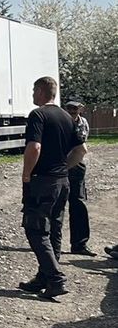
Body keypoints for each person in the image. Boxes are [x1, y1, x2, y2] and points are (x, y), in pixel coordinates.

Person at [19, 76, 87, 301]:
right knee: (55, 230)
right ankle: (44, 278)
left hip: (42, 182)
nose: (32, 94)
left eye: (33, 90)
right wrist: (63, 168)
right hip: (62, 181)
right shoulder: (67, 117)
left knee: (36, 230)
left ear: (40, 91)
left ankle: (56, 279)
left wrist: (27, 173)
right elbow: (81, 151)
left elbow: (35, 147)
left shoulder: (38, 115)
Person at [64, 101, 95, 256]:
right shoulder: (62, 121)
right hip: (61, 162)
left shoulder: (83, 123)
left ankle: (79, 244)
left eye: (75, 108)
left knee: (78, 204)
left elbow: (81, 145)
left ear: (80, 109)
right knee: (55, 205)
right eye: (69, 108)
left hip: (76, 164)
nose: (72, 111)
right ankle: (51, 243)